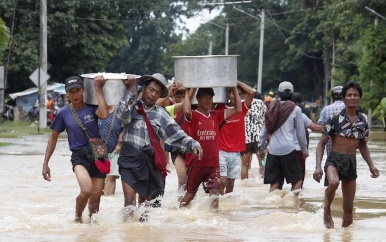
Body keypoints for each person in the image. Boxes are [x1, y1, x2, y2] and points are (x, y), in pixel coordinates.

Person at [116, 73, 202, 221]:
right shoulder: (132, 106)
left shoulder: (161, 114)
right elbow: (122, 116)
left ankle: (143, 234)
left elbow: (176, 133)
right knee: (129, 202)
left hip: (149, 162)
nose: (153, 94)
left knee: (145, 207)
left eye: (157, 92)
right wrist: (130, 90)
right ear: (143, 89)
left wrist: (193, 144)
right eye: (151, 90)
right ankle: (127, 234)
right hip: (129, 159)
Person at [42, 75, 109, 223]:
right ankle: (77, 219)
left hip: (99, 151)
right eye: (71, 92)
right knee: (86, 190)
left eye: (77, 90)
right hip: (79, 155)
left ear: (84, 90)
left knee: (95, 201)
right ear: (67, 94)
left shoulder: (93, 107)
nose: (75, 94)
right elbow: (53, 138)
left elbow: (104, 114)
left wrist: (98, 88)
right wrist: (45, 163)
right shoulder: (63, 113)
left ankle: (92, 231)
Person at [313, 80, 379, 228]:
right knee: (334, 182)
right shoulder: (335, 118)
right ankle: (327, 208)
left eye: (356, 95)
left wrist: (371, 166)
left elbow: (362, 145)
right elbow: (322, 142)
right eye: (349, 95)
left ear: (360, 98)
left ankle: (346, 235)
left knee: (348, 206)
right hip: (334, 160)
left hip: (351, 163)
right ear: (344, 98)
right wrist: (318, 167)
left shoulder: (363, 120)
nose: (352, 97)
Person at [180, 87, 241, 209]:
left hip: (213, 164)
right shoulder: (194, 115)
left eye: (210, 97)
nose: (208, 101)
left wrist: (234, 88)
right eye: (204, 97)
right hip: (196, 164)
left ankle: (213, 221)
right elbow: (186, 110)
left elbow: (238, 109)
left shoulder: (216, 115)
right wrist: (187, 91)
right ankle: (177, 214)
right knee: (190, 195)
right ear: (197, 99)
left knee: (215, 195)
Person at [258, 81, 308, 193]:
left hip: (273, 150)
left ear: (279, 93)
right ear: (292, 94)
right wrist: (304, 150)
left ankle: (273, 206)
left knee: (275, 183)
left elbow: (263, 132)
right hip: (289, 149)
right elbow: (301, 134)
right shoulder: (296, 109)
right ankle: (291, 205)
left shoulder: (271, 107)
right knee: (297, 180)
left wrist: (261, 149)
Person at [217, 81, 255, 194]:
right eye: (232, 93)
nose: (234, 95)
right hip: (220, 151)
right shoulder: (220, 107)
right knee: (222, 181)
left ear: (242, 95)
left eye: (238, 93)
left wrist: (234, 81)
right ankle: (217, 203)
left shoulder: (243, 107)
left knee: (231, 183)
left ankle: (226, 206)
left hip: (235, 153)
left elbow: (252, 92)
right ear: (228, 94)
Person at [241, 92, 267, 179]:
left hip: (246, 138)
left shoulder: (243, 103)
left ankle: (244, 185)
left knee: (245, 166)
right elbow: (267, 118)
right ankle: (263, 183)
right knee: (263, 163)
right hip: (260, 138)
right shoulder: (261, 103)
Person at [98, 105, 122, 196]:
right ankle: (100, 204)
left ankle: (109, 202)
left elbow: (126, 125)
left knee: (111, 177)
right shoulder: (95, 110)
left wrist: (120, 143)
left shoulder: (119, 110)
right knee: (99, 177)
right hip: (97, 147)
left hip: (115, 148)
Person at [317, 86, 346, 156]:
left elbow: (320, 127)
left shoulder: (326, 110)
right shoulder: (350, 109)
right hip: (347, 155)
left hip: (330, 153)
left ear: (332, 97)